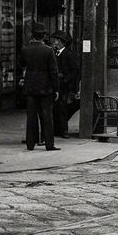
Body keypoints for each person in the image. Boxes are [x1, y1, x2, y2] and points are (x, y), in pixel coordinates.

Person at [19, 22, 60, 151]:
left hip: (30, 87)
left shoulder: (25, 49)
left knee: (31, 116)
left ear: (33, 35)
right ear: (43, 36)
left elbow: (21, 64)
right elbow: (54, 71)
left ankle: (30, 144)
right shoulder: (48, 50)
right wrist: (56, 88)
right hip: (45, 87)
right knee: (47, 116)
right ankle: (49, 143)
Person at [51, 31, 78, 139]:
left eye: (56, 40)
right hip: (56, 85)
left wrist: (66, 78)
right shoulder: (54, 52)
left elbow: (75, 70)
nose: (54, 42)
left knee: (63, 108)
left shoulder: (69, 54)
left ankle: (64, 130)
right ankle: (56, 129)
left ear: (61, 42)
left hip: (65, 86)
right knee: (56, 108)